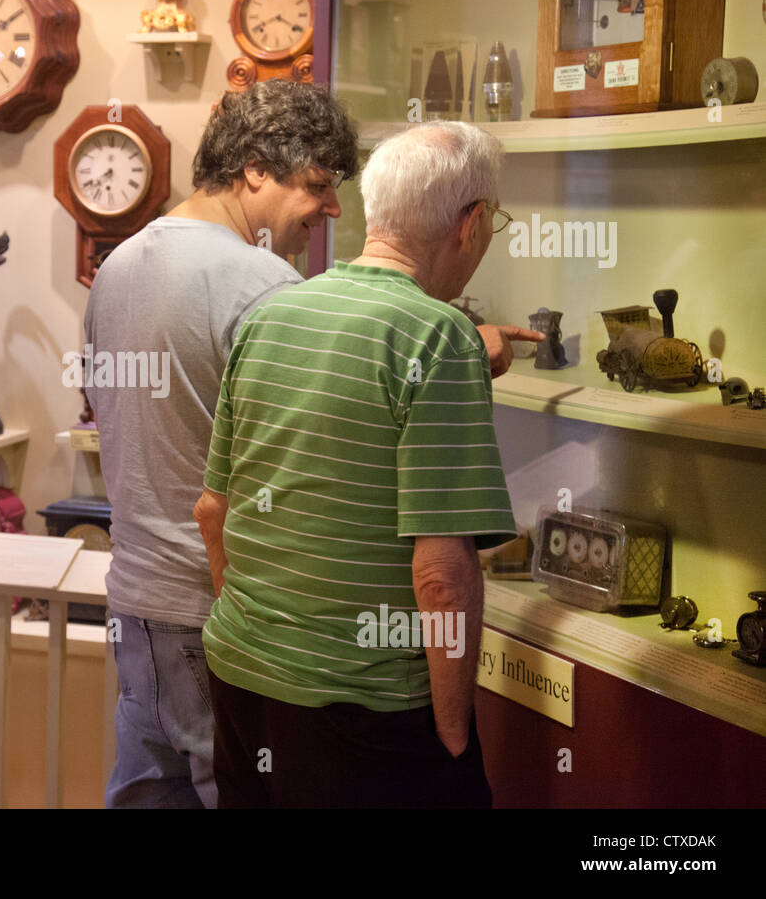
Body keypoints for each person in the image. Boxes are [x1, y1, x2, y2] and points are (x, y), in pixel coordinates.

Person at [193, 120, 543, 808]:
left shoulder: (273, 313)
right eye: (493, 217)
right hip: (363, 712)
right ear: (469, 224)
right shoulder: (439, 336)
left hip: (241, 678)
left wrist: (267, 635)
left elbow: (213, 511)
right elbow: (442, 576)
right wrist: (452, 734)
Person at [83, 80, 359, 808]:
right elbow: (306, 466)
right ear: (256, 169)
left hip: (136, 600)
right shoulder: (264, 282)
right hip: (219, 615)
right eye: (319, 186)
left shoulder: (117, 266)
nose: (331, 209)